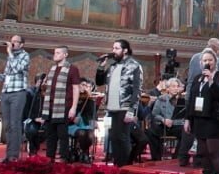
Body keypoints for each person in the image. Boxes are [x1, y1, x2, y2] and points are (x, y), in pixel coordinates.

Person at [185, 48, 219, 174]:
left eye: (210, 60)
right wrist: (188, 119)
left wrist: (211, 80)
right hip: (199, 119)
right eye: (205, 60)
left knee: (213, 152)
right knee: (203, 153)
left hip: (214, 119)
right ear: (201, 62)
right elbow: (192, 99)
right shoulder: (197, 78)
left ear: (215, 62)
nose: (207, 62)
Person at [96, 39, 142, 167]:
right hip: (111, 108)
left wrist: (131, 110)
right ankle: (117, 165)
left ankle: (126, 166)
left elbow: (137, 90)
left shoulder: (134, 66)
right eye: (113, 48)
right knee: (114, 137)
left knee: (122, 137)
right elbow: (99, 82)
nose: (113, 51)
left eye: (116, 48)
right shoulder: (113, 66)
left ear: (125, 50)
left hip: (124, 107)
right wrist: (101, 66)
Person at [0, 35, 30, 163]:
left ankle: (13, 156)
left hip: (18, 92)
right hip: (6, 92)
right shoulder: (11, 57)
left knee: (15, 124)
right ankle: (8, 155)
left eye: (15, 42)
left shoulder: (25, 55)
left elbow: (17, 68)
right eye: (11, 41)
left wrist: (9, 52)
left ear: (21, 44)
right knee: (7, 125)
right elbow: (8, 76)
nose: (12, 44)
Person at [37, 46, 81, 162]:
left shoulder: (72, 69)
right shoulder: (52, 68)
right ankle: (50, 157)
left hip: (63, 106)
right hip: (50, 106)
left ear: (65, 55)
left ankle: (64, 157)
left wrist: (73, 107)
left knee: (62, 134)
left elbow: (76, 88)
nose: (55, 55)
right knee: (50, 134)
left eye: (58, 53)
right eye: (54, 53)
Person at [146, 77, 190, 161]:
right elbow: (154, 114)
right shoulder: (161, 99)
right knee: (151, 132)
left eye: (177, 86)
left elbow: (185, 117)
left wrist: (173, 122)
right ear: (168, 88)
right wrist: (163, 120)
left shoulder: (183, 100)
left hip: (176, 125)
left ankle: (177, 158)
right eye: (173, 86)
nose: (175, 88)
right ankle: (156, 159)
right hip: (163, 125)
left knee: (186, 132)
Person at [69, 78, 98, 163]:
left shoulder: (88, 99)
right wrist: (72, 118)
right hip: (73, 124)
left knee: (90, 136)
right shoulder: (71, 97)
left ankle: (83, 152)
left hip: (85, 124)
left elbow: (92, 113)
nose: (84, 87)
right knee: (82, 133)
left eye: (86, 85)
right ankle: (83, 153)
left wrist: (89, 98)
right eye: (82, 85)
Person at [23, 73, 47, 156]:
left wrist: (44, 118)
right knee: (32, 130)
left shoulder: (46, 93)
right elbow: (26, 111)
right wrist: (35, 118)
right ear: (39, 82)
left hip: (44, 120)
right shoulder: (30, 93)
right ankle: (32, 150)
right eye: (44, 81)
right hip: (32, 119)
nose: (46, 83)